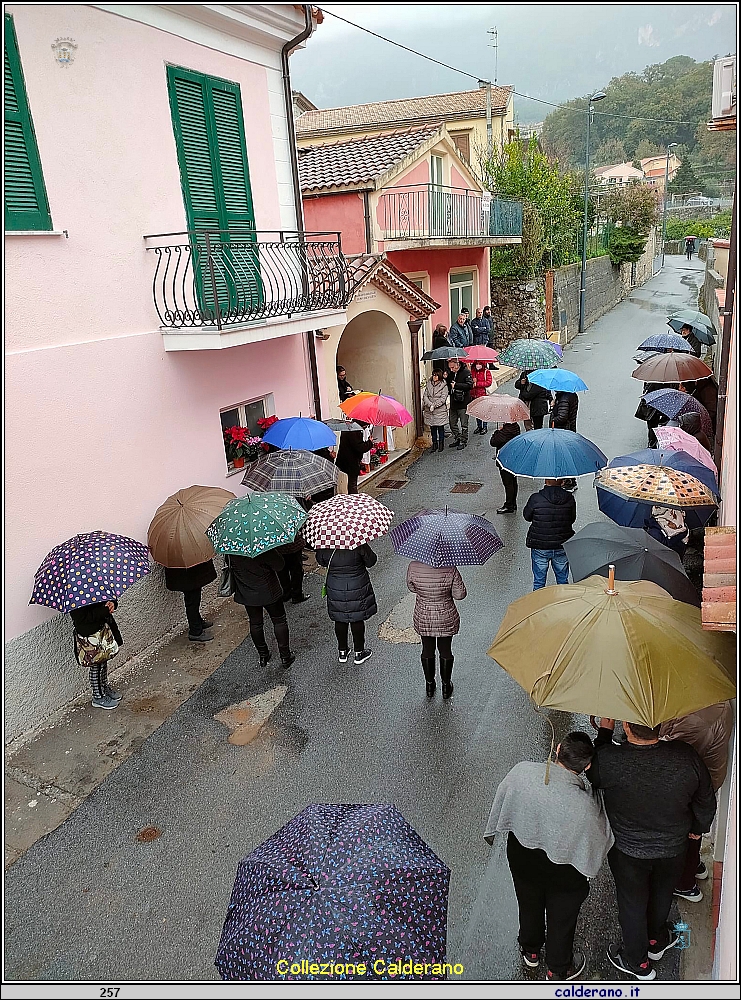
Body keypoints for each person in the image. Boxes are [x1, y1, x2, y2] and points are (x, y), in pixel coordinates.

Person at [588, 718, 716, 981]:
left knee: (632, 904)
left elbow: (593, 771)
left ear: (626, 727)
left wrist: (604, 731)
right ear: (659, 725)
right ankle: (656, 940)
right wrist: (698, 827)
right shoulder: (685, 756)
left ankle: (638, 962)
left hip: (627, 851)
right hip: (673, 848)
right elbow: (706, 798)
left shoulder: (609, 760)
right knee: (662, 894)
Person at [484, 733, 613, 981]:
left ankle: (530, 950)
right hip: (565, 871)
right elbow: (599, 839)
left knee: (528, 902)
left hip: (522, 857)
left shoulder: (522, 772)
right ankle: (557, 967)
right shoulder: (587, 806)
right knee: (562, 918)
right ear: (586, 767)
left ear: (558, 749)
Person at [660, 702, 734, 901]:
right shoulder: (707, 700)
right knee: (693, 829)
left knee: (688, 832)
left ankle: (685, 884)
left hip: (696, 784)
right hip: (703, 779)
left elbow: (674, 753)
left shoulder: (698, 720)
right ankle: (694, 866)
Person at [406, 560, 467, 699]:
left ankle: (429, 685)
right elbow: (460, 594)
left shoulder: (413, 566)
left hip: (424, 615)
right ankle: (446, 686)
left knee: (427, 649)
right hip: (445, 616)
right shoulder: (450, 567)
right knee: (445, 650)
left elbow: (411, 587)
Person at [230, 551, 295, 669]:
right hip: (269, 590)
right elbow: (279, 565)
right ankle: (285, 656)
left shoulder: (232, 549)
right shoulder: (262, 547)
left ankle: (263, 655)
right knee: (279, 621)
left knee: (255, 623)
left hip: (247, 592)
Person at [315, 544, 377, 664]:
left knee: (339, 619)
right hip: (357, 585)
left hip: (335, 586)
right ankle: (359, 653)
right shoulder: (357, 542)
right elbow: (371, 561)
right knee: (357, 618)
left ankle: (342, 651)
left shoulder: (325, 543)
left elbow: (321, 561)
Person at [523, 478, 576, 589]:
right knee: (562, 580)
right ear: (562, 482)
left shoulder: (535, 498)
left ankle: (538, 600)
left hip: (540, 545)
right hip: (562, 544)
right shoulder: (569, 498)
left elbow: (527, 516)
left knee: (539, 582)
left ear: (545, 481)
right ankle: (563, 599)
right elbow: (572, 519)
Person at [70, 600, 124, 710]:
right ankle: (98, 696)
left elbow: (107, 597)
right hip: (89, 635)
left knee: (103, 662)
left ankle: (104, 688)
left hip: (101, 631)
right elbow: (82, 618)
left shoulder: (94, 590)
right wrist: (104, 610)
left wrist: (112, 603)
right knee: (96, 666)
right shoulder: (75, 599)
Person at [164, 560, 216, 643]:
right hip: (186, 573)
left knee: (194, 598)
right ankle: (195, 631)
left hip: (189, 572)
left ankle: (198, 622)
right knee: (192, 600)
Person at [550, 390, 579, 491]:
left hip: (563, 431)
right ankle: (571, 480)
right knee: (567, 456)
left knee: (563, 457)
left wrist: (553, 418)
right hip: (568, 430)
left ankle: (568, 482)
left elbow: (562, 417)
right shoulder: (570, 395)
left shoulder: (564, 398)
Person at [491, 422, 520, 513]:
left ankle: (509, 505)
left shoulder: (505, 431)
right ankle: (513, 503)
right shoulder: (515, 427)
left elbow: (493, 442)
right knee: (513, 482)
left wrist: (497, 432)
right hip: (513, 458)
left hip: (505, 460)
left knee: (508, 484)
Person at [336, 421, 372, 494]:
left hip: (343, 460)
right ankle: (353, 498)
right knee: (352, 484)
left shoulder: (348, 427)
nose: (365, 428)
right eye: (365, 426)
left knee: (346, 482)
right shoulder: (355, 431)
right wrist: (370, 442)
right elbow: (359, 447)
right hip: (351, 462)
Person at [446, 358, 474, 450]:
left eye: (453, 367)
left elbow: (469, 385)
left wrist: (457, 385)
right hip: (453, 402)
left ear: (457, 364)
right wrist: (446, 377)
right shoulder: (451, 373)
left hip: (463, 402)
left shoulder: (466, 372)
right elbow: (449, 385)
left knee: (464, 424)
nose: (451, 369)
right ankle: (457, 437)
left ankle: (463, 440)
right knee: (452, 423)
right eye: (450, 368)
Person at [275, 533, 309, 605]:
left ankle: (286, 593)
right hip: (293, 546)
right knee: (296, 572)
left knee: (282, 571)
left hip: (278, 546)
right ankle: (297, 595)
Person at [422, 369, 449, 453]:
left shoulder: (444, 386)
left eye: (436, 375)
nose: (434, 377)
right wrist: (430, 404)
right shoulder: (429, 384)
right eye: (433, 375)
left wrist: (434, 405)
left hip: (439, 411)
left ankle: (441, 444)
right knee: (432, 428)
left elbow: (443, 398)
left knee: (440, 428)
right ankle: (434, 444)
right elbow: (425, 396)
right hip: (429, 411)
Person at [470, 361, 493, 433]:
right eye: (477, 364)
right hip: (474, 394)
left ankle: (485, 427)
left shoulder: (486, 372)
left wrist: (477, 384)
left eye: (480, 364)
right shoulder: (472, 371)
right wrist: (472, 381)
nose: (478, 365)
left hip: (483, 395)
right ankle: (479, 426)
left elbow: (488, 382)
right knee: (477, 412)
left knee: (484, 411)